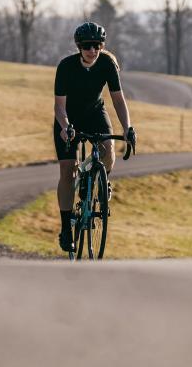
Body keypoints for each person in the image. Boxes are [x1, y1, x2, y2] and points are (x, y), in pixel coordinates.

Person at [53, 22, 137, 253]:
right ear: (79, 47)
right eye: (88, 46)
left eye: (97, 45)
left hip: (94, 113)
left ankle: (101, 179)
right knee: (67, 171)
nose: (93, 50)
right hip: (68, 118)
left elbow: (118, 100)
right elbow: (59, 107)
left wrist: (127, 128)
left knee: (108, 150)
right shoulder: (66, 67)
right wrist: (66, 126)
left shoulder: (107, 64)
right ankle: (66, 228)